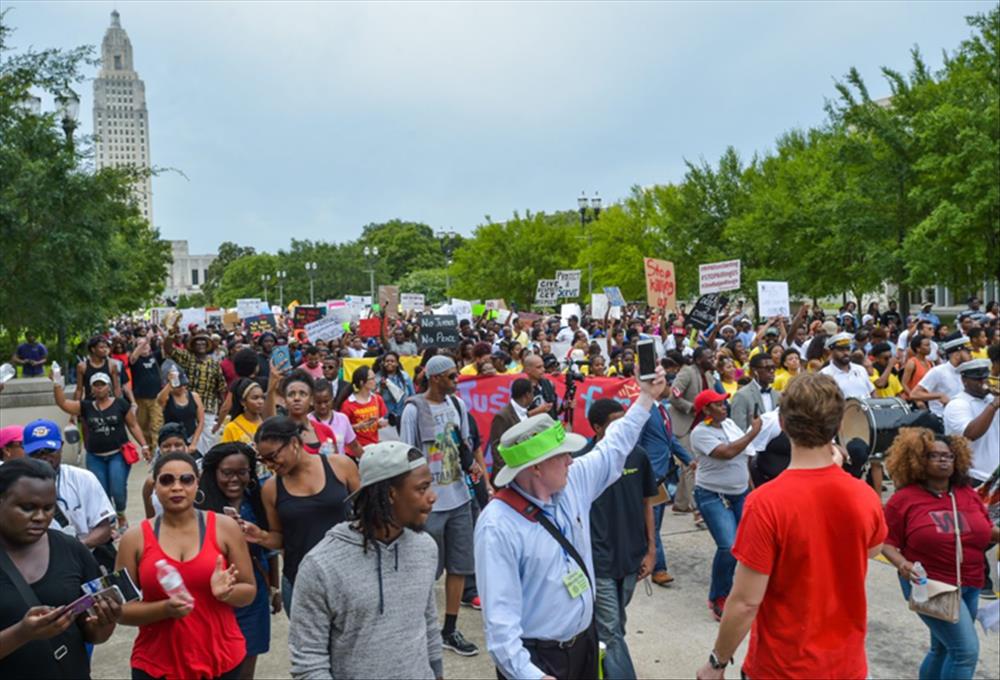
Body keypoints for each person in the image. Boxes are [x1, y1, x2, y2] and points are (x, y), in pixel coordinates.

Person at [474, 365, 662, 680]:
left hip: (585, 645)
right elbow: (499, 621)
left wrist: (645, 397)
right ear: (534, 468)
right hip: (540, 661)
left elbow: (614, 446)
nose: (571, 460)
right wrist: (531, 676)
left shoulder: (571, 481)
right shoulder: (497, 525)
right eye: (561, 455)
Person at [696, 373, 886, 680]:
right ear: (838, 426)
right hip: (847, 666)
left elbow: (745, 601)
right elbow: (871, 547)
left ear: (782, 424)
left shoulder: (765, 502)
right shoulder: (863, 495)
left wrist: (717, 662)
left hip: (781, 667)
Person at [288, 441, 443, 680]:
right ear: (391, 494)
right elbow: (308, 660)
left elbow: (429, 625)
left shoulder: (426, 548)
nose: (432, 497)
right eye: (422, 489)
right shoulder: (321, 565)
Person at [117, 451, 255, 679]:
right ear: (155, 486)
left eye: (186, 479)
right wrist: (164, 609)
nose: (177, 487)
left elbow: (248, 591)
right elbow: (121, 610)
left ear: (197, 483)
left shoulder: (226, 528)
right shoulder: (134, 539)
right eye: (167, 480)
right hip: (156, 663)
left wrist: (226, 593)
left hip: (220, 659)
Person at [881, 428, 998, 680]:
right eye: (934, 455)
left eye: (949, 456)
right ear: (918, 459)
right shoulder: (904, 499)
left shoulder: (967, 494)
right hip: (930, 585)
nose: (944, 460)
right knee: (965, 651)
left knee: (943, 648)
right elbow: (886, 542)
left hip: (970, 583)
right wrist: (903, 564)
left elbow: (987, 531)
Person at [0, 458, 122, 679]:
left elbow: (92, 634)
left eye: (48, 508)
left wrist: (106, 621)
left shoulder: (72, 550)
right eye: (27, 508)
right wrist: (22, 633)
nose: (40, 517)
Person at [400, 355, 481, 656]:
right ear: (434, 378)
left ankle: (449, 628)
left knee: (459, 566)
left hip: (459, 498)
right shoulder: (413, 410)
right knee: (423, 569)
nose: (456, 380)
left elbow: (465, 446)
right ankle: (417, 627)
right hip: (428, 504)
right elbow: (407, 458)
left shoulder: (458, 405)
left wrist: (476, 475)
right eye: (450, 376)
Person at [238, 417, 359, 614]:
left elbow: (367, 513)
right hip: (300, 582)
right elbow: (280, 538)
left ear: (294, 443)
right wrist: (260, 536)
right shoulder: (271, 488)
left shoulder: (341, 466)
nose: (270, 465)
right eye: (263, 460)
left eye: (273, 456)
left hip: (348, 577)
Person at [584, 399, 658, 680]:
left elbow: (647, 504)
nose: (623, 429)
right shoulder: (584, 460)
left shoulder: (638, 455)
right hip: (598, 558)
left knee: (617, 624)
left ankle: (595, 664)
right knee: (611, 628)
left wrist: (651, 551)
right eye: (615, 423)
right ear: (596, 428)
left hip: (631, 557)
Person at [197, 443, 281, 679]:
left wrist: (274, 588)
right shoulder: (199, 506)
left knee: (246, 664)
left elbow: (270, 550)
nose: (235, 479)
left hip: (252, 595)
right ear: (214, 473)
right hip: (210, 598)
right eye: (227, 473)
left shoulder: (257, 499)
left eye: (242, 472)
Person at [689, 390, 761, 621]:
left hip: (740, 493)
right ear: (706, 411)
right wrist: (754, 432)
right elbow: (728, 452)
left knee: (746, 545)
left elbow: (744, 457)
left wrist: (751, 489)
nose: (724, 407)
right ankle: (718, 596)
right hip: (712, 495)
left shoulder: (729, 424)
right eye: (717, 405)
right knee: (728, 546)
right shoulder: (700, 432)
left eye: (724, 403)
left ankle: (737, 589)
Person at [54, 372, 149, 527]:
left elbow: (133, 425)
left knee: (118, 490)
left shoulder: (120, 404)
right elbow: (62, 403)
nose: (99, 389)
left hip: (117, 454)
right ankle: (109, 522)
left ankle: (121, 515)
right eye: (96, 386)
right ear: (91, 389)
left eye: (102, 385)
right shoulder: (85, 406)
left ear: (109, 387)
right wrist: (57, 383)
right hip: (95, 456)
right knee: (101, 491)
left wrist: (144, 445)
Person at [21, 420, 117, 568]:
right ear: (24, 451)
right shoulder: (15, 486)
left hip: (85, 558)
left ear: (61, 447)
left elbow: (104, 529)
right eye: (36, 452)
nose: (44, 456)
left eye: (49, 450)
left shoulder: (83, 478)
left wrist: (75, 548)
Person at [638, 377, 692, 587]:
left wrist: (689, 459)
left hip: (664, 472)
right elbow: (638, 442)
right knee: (654, 522)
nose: (671, 388)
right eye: (668, 384)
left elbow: (670, 441)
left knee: (654, 522)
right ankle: (658, 568)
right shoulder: (645, 411)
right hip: (651, 475)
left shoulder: (663, 410)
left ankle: (649, 559)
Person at [164, 324, 227, 455]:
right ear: (193, 346)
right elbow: (169, 349)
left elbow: (221, 387)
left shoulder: (214, 365)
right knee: (189, 437)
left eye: (203, 343)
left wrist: (223, 408)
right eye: (197, 343)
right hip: (188, 405)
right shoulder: (187, 358)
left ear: (208, 346)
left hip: (208, 407)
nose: (200, 345)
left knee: (209, 440)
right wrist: (170, 334)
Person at [944, 359, 999, 485]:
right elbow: (970, 434)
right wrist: (993, 407)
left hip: (995, 474)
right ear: (964, 381)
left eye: (985, 378)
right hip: (974, 476)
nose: (982, 382)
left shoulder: (990, 398)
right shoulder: (957, 404)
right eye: (977, 380)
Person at [487, 378, 534, 484]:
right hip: (509, 478)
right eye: (532, 393)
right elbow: (497, 449)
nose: (533, 397)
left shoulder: (524, 412)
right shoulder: (502, 416)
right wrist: (507, 478)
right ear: (527, 395)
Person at [913, 334, 972, 418]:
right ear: (957, 354)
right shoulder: (938, 371)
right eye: (968, 352)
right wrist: (939, 395)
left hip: (964, 415)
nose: (971, 355)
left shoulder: (967, 371)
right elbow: (915, 394)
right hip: (942, 417)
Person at [669, 346, 718, 447]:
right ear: (699, 360)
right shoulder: (687, 372)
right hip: (684, 427)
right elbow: (673, 397)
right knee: (688, 460)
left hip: (703, 427)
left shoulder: (708, 376)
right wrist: (692, 407)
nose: (713, 360)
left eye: (713, 357)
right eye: (709, 358)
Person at [141, 423, 190, 519]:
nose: (172, 450)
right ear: (159, 449)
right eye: (166, 446)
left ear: (186, 446)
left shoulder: (197, 477)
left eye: (178, 445)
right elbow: (150, 520)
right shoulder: (151, 483)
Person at [308, 379, 364, 458]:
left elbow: (354, 446)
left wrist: (366, 461)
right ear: (312, 401)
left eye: (326, 401)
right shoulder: (308, 422)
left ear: (332, 398)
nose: (323, 406)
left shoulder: (342, 419)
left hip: (339, 467)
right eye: (318, 403)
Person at [336, 365, 389, 448]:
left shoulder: (377, 399)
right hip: (355, 449)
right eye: (372, 379)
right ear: (362, 382)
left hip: (373, 447)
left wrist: (381, 423)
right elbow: (341, 428)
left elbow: (379, 422)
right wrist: (358, 426)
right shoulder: (348, 404)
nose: (375, 381)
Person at [157, 367, 205, 454]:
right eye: (179, 386)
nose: (182, 388)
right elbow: (160, 400)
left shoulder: (194, 396)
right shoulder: (168, 398)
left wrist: (194, 443)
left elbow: (201, 421)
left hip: (191, 436)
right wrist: (170, 383)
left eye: (184, 385)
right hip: (171, 438)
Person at [129, 334, 164, 450]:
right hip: (140, 398)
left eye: (146, 344)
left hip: (156, 398)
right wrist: (144, 342)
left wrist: (161, 332)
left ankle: (157, 449)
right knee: (143, 425)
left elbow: (166, 346)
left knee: (156, 425)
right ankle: (149, 447)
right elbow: (133, 357)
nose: (144, 346)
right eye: (139, 344)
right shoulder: (135, 359)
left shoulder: (155, 356)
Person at [729, 353, 780, 431]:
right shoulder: (741, 396)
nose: (772, 371)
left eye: (773, 367)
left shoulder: (777, 395)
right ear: (754, 371)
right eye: (767, 368)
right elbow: (738, 429)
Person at [820, 333, 875, 400]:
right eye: (841, 350)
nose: (846, 353)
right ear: (831, 352)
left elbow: (872, 392)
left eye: (848, 349)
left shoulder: (860, 369)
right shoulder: (824, 374)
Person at [375, 351, 416, 428]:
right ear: (383, 363)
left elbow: (412, 394)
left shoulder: (405, 376)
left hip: (404, 416)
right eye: (387, 361)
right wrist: (382, 389)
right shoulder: (378, 378)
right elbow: (375, 399)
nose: (389, 363)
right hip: (386, 419)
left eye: (392, 361)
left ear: (397, 363)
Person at [75, 336, 122, 401]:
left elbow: (116, 388)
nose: (105, 350)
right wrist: (76, 406)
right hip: (90, 405)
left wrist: (118, 405)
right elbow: (79, 389)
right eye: (101, 347)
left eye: (106, 347)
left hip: (107, 405)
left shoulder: (112, 365)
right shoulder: (82, 366)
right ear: (93, 349)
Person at [221, 378, 266, 445]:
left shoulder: (266, 422)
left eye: (262, 398)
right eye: (255, 398)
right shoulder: (231, 428)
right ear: (243, 402)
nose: (260, 402)